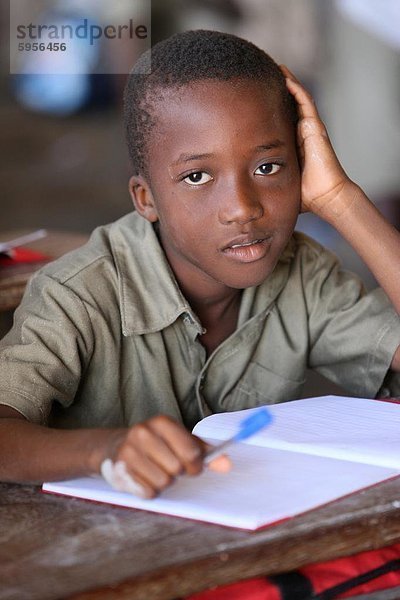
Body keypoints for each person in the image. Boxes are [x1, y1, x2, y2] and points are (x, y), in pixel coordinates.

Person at [1, 30, 400, 499]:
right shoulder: (78, 294)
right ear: (146, 199)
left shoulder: (303, 272)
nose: (242, 208)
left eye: (268, 167)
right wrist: (103, 450)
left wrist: (341, 200)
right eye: (197, 176)